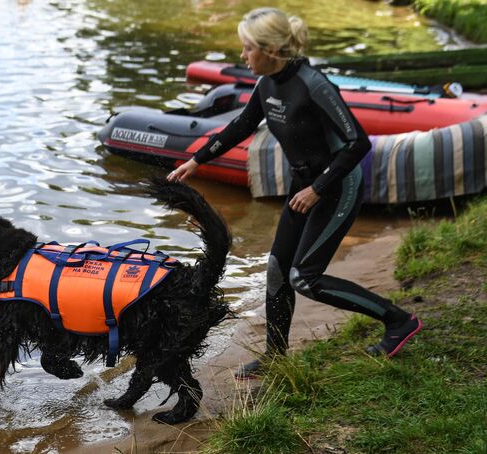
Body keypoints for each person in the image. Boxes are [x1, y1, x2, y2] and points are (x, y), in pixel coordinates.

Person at [167, 7, 422, 378]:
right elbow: (242, 124)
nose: (243, 55)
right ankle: (275, 356)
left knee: (306, 277)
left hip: (336, 187)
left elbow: (357, 143)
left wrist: (318, 190)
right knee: (276, 271)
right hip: (303, 186)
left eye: (248, 48)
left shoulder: (313, 84)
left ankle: (399, 320)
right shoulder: (266, 83)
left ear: (270, 49)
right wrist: (198, 160)